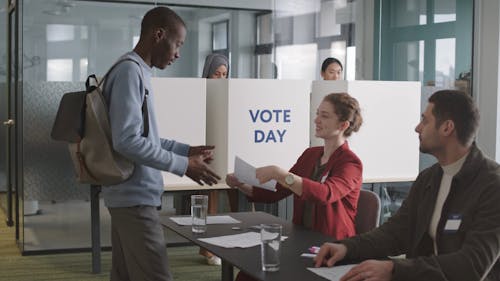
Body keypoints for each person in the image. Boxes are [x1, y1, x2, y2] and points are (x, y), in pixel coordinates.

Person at [314, 90, 500, 281]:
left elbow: (472, 265)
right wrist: (347, 247)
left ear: (447, 128)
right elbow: (397, 232)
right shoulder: (429, 178)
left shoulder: (493, 185)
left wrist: (395, 270)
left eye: (425, 121)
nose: (417, 128)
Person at [101, 7, 220, 281]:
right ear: (158, 35)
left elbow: (144, 138)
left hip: (128, 195)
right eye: (177, 44)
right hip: (134, 197)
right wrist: (183, 165)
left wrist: (185, 151)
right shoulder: (130, 72)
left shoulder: (137, 71)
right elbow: (127, 141)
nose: (178, 53)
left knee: (125, 276)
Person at [226, 92, 363, 281]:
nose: (316, 120)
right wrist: (241, 185)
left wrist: (279, 173)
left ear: (343, 125)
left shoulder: (350, 163)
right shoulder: (310, 154)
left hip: (331, 246)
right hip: (301, 240)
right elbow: (277, 192)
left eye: (324, 116)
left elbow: (325, 194)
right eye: (317, 114)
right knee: (248, 274)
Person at [198, 52, 237, 266]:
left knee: (235, 200)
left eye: (225, 74)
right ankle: (207, 250)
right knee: (210, 201)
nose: (221, 79)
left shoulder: (230, 94)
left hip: (229, 151)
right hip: (208, 153)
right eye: (217, 74)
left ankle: (235, 245)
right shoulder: (199, 93)